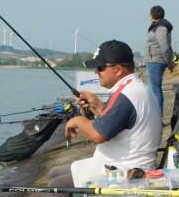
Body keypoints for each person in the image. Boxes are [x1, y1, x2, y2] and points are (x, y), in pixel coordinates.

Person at [47, 40, 162, 196]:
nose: (96, 72)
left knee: (57, 185)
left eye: (100, 67)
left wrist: (77, 120)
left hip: (127, 173)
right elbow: (118, 123)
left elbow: (98, 135)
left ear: (118, 69)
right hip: (122, 165)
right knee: (54, 172)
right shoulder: (135, 88)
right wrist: (98, 105)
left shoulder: (126, 95)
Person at [144, 5, 175, 115]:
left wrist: (169, 62)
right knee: (154, 91)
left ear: (151, 16)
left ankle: (157, 118)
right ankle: (156, 116)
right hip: (153, 62)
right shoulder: (157, 26)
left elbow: (164, 46)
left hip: (155, 62)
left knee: (155, 91)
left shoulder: (160, 28)